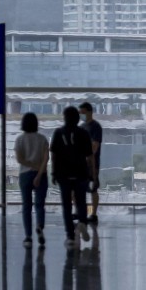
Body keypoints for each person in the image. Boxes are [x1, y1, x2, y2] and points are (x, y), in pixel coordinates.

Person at [50, 106, 94, 248]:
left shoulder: (58, 133)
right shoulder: (84, 133)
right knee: (81, 202)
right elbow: (90, 156)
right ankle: (82, 223)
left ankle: (70, 236)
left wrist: (53, 172)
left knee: (67, 205)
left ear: (65, 118)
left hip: (64, 173)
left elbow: (54, 155)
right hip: (81, 173)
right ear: (77, 118)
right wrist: (92, 174)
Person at [14, 112, 49, 248]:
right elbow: (46, 158)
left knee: (26, 207)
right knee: (39, 205)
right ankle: (39, 226)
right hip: (41, 174)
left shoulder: (20, 140)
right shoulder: (42, 139)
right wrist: (39, 173)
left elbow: (19, 159)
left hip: (25, 175)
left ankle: (28, 237)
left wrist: (31, 166)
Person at [78, 101, 103, 225]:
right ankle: (82, 212)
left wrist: (88, 156)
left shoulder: (95, 127)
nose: (80, 114)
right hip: (81, 163)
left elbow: (95, 146)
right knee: (80, 189)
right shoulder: (81, 127)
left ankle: (93, 214)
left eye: (82, 112)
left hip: (92, 163)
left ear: (88, 112)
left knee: (93, 188)